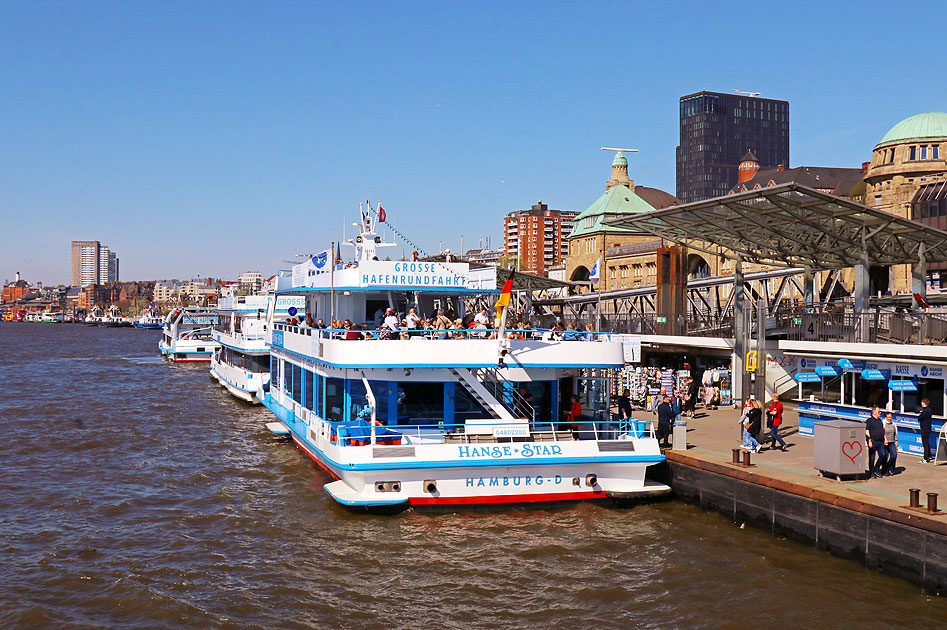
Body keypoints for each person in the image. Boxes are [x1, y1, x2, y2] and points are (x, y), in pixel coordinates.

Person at [865, 406, 888, 479]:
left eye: (880, 411)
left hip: (880, 441)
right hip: (873, 441)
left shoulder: (880, 421)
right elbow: (867, 431)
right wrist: (869, 440)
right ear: (874, 412)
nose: (880, 413)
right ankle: (871, 472)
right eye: (879, 412)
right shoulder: (869, 421)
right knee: (872, 457)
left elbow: (883, 431)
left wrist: (885, 439)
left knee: (883, 455)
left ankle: (876, 468)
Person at [918, 398, 934, 463]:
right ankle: (929, 456)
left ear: (924, 403)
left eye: (922, 402)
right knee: (927, 443)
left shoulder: (925, 410)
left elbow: (920, 418)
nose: (921, 403)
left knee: (925, 443)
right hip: (928, 428)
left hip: (924, 428)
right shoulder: (929, 410)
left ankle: (925, 458)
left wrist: (920, 414)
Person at [883, 411, 898, 476]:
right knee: (885, 457)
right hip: (885, 443)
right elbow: (882, 433)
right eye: (888, 417)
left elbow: (895, 433)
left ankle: (891, 468)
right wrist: (885, 440)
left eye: (890, 417)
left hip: (892, 442)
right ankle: (885, 470)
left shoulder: (893, 424)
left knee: (894, 455)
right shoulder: (883, 423)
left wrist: (896, 441)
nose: (889, 419)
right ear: (885, 417)